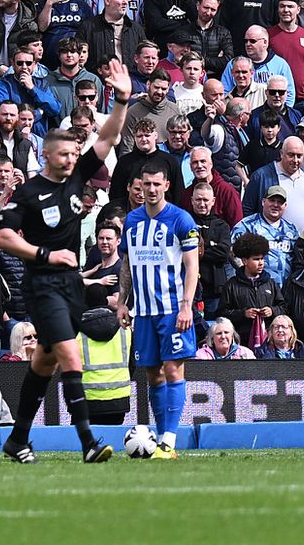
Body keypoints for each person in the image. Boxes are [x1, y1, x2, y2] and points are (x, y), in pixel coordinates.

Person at [0, 127, 112, 463]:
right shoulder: (28, 192)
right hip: (43, 285)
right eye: (65, 154)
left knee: (44, 363)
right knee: (72, 358)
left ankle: (17, 440)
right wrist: (46, 254)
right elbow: (2, 237)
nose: (72, 159)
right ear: (45, 155)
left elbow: (106, 140)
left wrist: (119, 100)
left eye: (75, 154)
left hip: (70, 285)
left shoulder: (77, 178)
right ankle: (88, 442)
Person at [117, 161, 200, 458]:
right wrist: (123, 301)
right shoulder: (132, 221)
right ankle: (161, 438)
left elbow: (192, 267)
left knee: (173, 370)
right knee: (153, 375)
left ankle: (169, 441)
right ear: (138, 187)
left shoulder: (181, 220)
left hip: (173, 309)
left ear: (166, 185)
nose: (150, 190)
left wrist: (186, 306)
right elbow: (126, 264)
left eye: (156, 184)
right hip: (144, 312)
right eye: (145, 185)